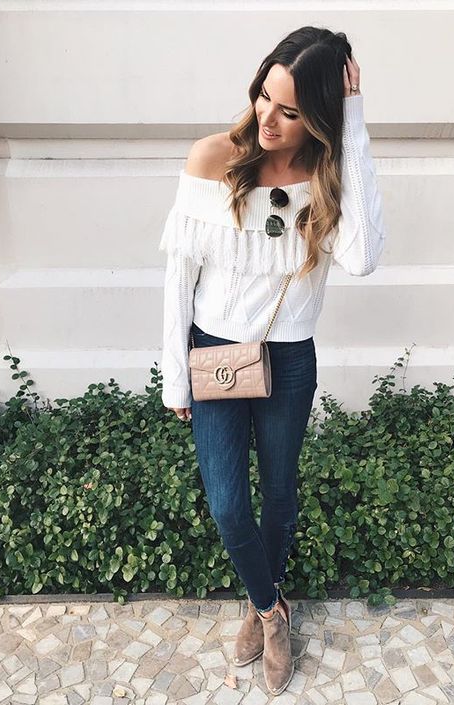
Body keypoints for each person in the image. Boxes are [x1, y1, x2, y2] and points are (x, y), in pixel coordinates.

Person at [158, 26, 386, 696]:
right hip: (216, 357)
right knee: (229, 504)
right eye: (265, 95)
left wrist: (354, 125)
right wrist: (175, 375)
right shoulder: (213, 159)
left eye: (290, 110)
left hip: (288, 361)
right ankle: (270, 608)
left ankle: (267, 604)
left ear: (320, 115)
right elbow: (178, 278)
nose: (268, 118)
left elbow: (363, 257)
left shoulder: (327, 177)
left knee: (280, 493)